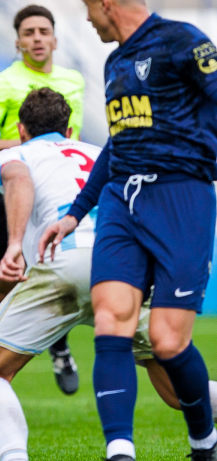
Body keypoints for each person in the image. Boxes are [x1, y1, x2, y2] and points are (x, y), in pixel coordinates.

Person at [0, 87, 217, 461]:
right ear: (70, 131)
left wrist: (16, 242)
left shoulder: (14, 153)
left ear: (20, 130)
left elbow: (19, 180)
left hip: (62, 262)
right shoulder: (98, 152)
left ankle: (14, 456)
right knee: (175, 388)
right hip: (119, 266)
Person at [39, 1, 217, 459]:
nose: (86, 19)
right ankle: (120, 450)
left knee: (167, 340)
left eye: (87, 9)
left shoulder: (183, 41)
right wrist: (75, 213)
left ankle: (205, 442)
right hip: (122, 201)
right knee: (110, 319)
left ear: (106, 4)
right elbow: (119, 145)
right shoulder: (116, 61)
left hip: (181, 198)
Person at [0, 4, 85, 395]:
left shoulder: (74, 81)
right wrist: (30, 145)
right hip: (16, 198)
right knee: (0, 285)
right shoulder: (5, 81)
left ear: (54, 38)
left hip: (62, 197)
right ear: (17, 41)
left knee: (62, 268)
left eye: (43, 31)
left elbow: (74, 139)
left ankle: (61, 348)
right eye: (29, 32)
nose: (37, 38)